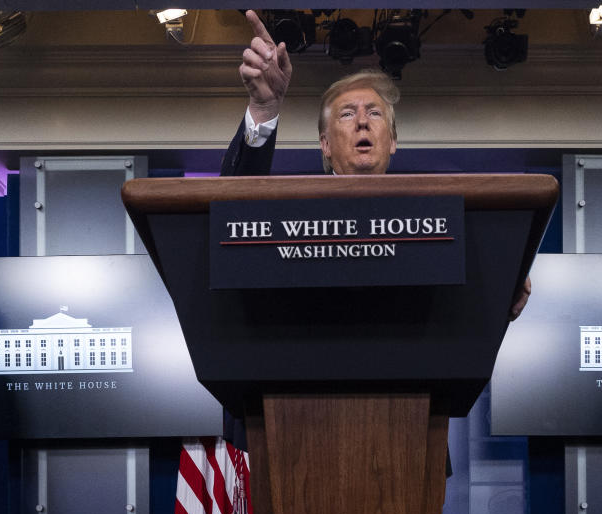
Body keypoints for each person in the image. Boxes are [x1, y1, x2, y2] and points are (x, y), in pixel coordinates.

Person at [221, 9, 532, 320]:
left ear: (392, 140)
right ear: (325, 145)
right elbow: (230, 221)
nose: (361, 122)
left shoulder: (435, 219)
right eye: (346, 114)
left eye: (374, 113)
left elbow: (468, 290)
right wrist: (264, 107)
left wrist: (506, 277)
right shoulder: (286, 214)